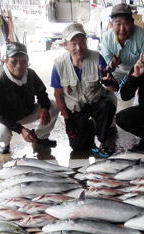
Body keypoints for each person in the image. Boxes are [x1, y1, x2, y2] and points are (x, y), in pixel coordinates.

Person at [51, 23, 119, 157]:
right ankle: (91, 126)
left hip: (95, 102)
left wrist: (109, 82)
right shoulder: (59, 65)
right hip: (76, 108)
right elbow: (58, 95)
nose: (79, 48)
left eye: (82, 42)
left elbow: (114, 88)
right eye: (73, 44)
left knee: (108, 105)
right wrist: (67, 119)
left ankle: (102, 139)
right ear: (66, 45)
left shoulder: (97, 58)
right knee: (77, 146)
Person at [0, 42, 59, 154]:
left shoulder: (30, 74)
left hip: (26, 111)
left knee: (54, 105)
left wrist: (45, 108)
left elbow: (42, 93)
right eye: (14, 61)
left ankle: (41, 137)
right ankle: (4, 145)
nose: (19, 65)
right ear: (5, 61)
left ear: (28, 62)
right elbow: (0, 114)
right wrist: (21, 129)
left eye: (23, 61)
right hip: (4, 117)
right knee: (1, 132)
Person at [101, 3, 144, 85]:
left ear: (132, 23)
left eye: (126, 24)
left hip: (137, 69)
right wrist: (113, 63)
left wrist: (138, 73)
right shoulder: (107, 38)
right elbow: (108, 64)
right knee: (107, 85)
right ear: (111, 25)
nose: (122, 29)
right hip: (117, 70)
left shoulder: (142, 36)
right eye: (118, 24)